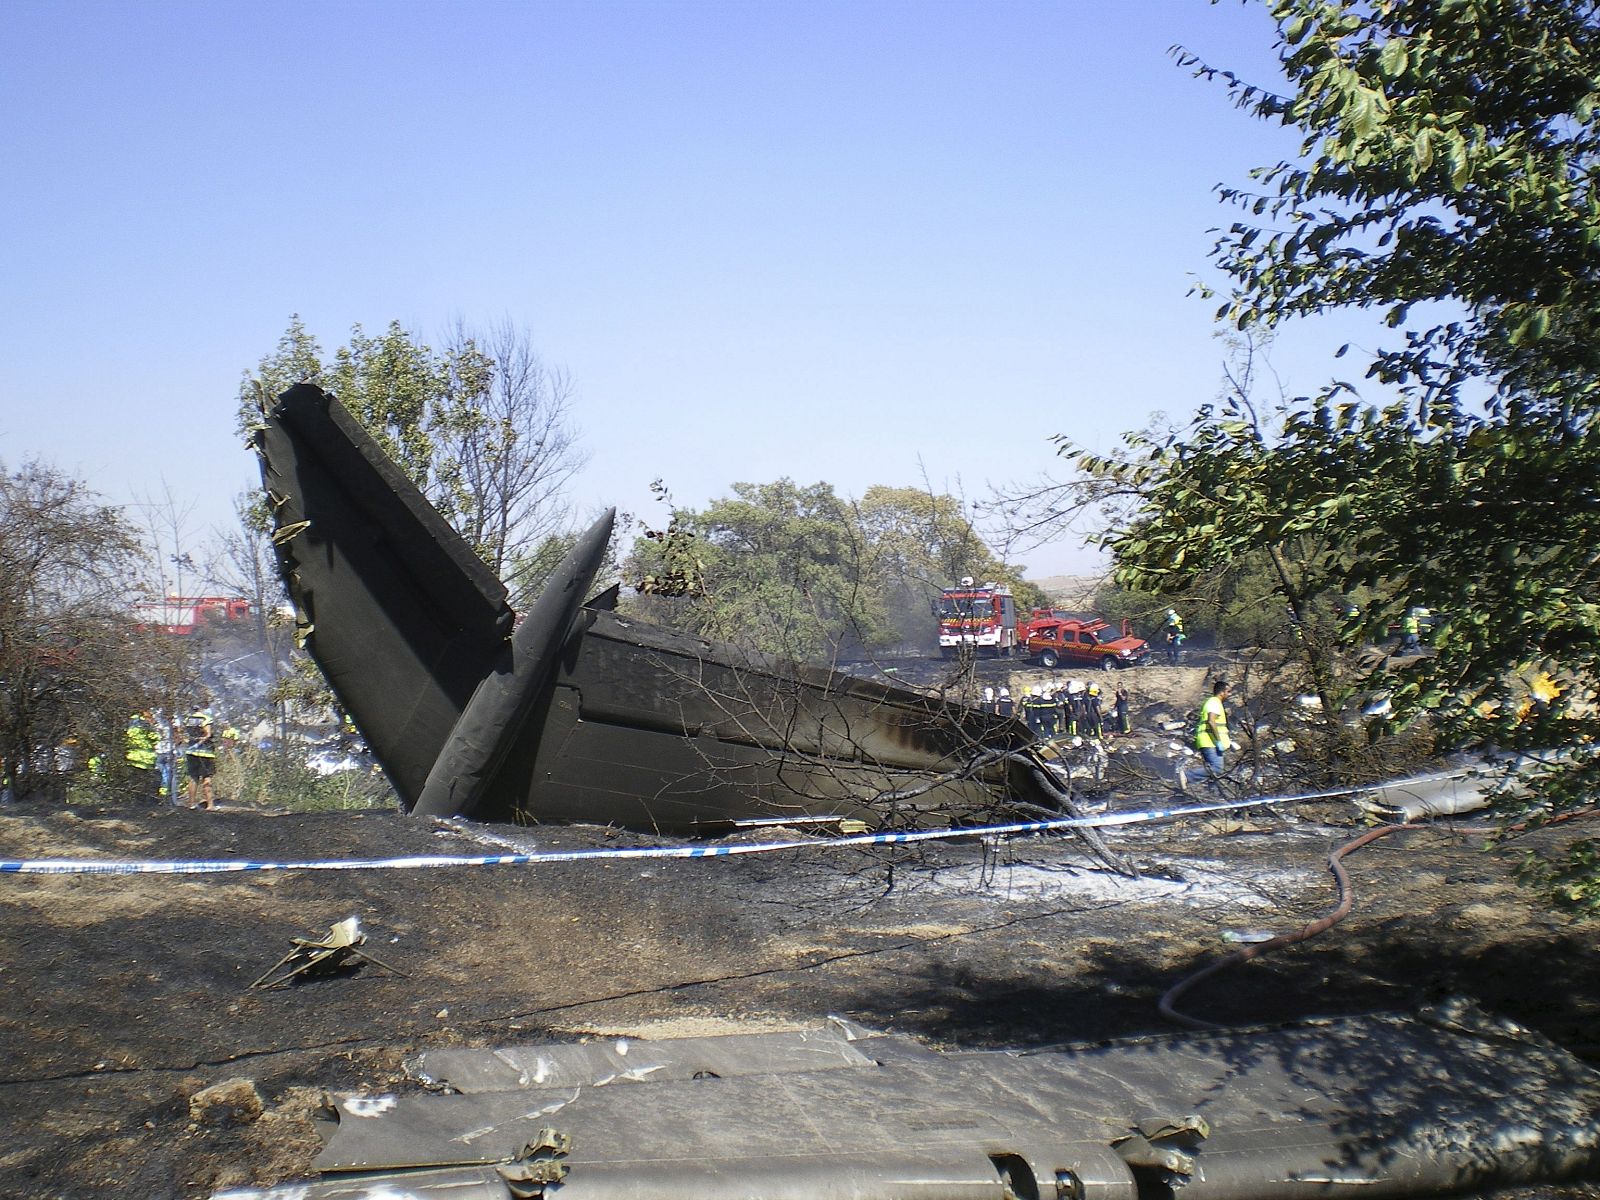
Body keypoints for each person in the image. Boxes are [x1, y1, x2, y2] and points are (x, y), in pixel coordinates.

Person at [1182, 677, 1232, 793]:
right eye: (1228, 692)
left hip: (1213, 741)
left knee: (1216, 771)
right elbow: (1211, 721)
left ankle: (1213, 793)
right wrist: (1218, 741)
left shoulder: (1216, 703)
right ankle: (1187, 776)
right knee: (1217, 768)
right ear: (1222, 692)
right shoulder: (1214, 702)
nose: (1230, 695)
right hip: (1210, 741)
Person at [183, 709, 218, 810]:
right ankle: (210, 805)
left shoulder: (188, 719)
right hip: (205, 752)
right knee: (206, 777)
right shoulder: (206, 718)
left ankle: (191, 803)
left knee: (193, 777)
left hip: (190, 751)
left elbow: (184, 733)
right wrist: (200, 743)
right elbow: (208, 734)